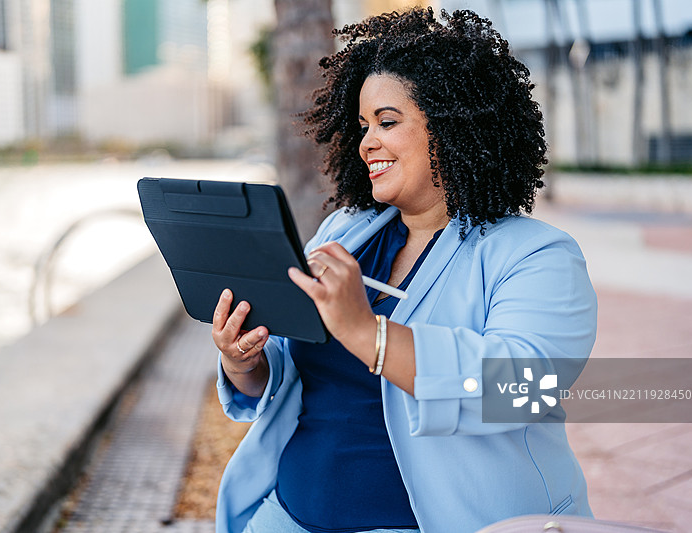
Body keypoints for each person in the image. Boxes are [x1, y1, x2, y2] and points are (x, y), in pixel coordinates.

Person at [211, 7, 597, 533]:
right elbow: (288, 371)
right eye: (364, 125)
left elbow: (525, 388)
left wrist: (370, 335)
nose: (368, 141)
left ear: (455, 125)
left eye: (388, 122)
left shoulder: (536, 256)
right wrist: (244, 362)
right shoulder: (344, 231)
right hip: (285, 516)